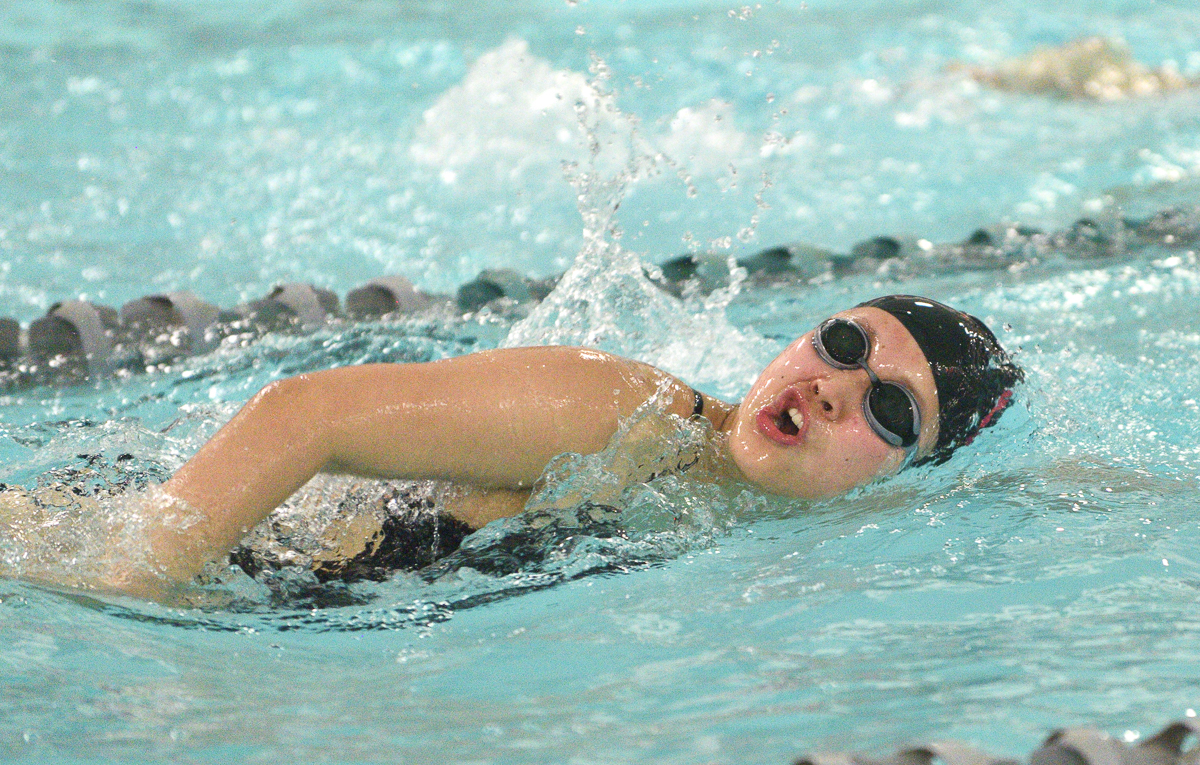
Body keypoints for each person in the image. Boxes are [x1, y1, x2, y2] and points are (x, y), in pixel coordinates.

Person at [9, 294, 1023, 599]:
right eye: (841, 344)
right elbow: (298, 414)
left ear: (902, 473)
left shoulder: (789, 526)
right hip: (87, 551)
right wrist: (129, 593)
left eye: (891, 412)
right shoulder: (622, 415)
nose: (831, 388)